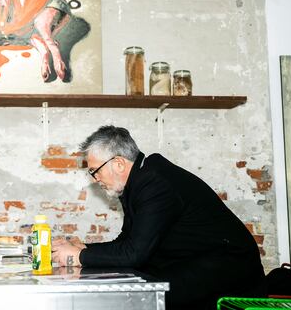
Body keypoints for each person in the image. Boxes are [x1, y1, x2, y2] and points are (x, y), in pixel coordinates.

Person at [52, 125, 266, 310]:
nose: (95, 178)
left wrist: (78, 257)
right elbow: (127, 242)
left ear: (118, 163)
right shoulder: (140, 180)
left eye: (95, 171)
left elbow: (134, 253)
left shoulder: (155, 183)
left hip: (228, 267)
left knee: (146, 296)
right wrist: (84, 249)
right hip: (198, 262)